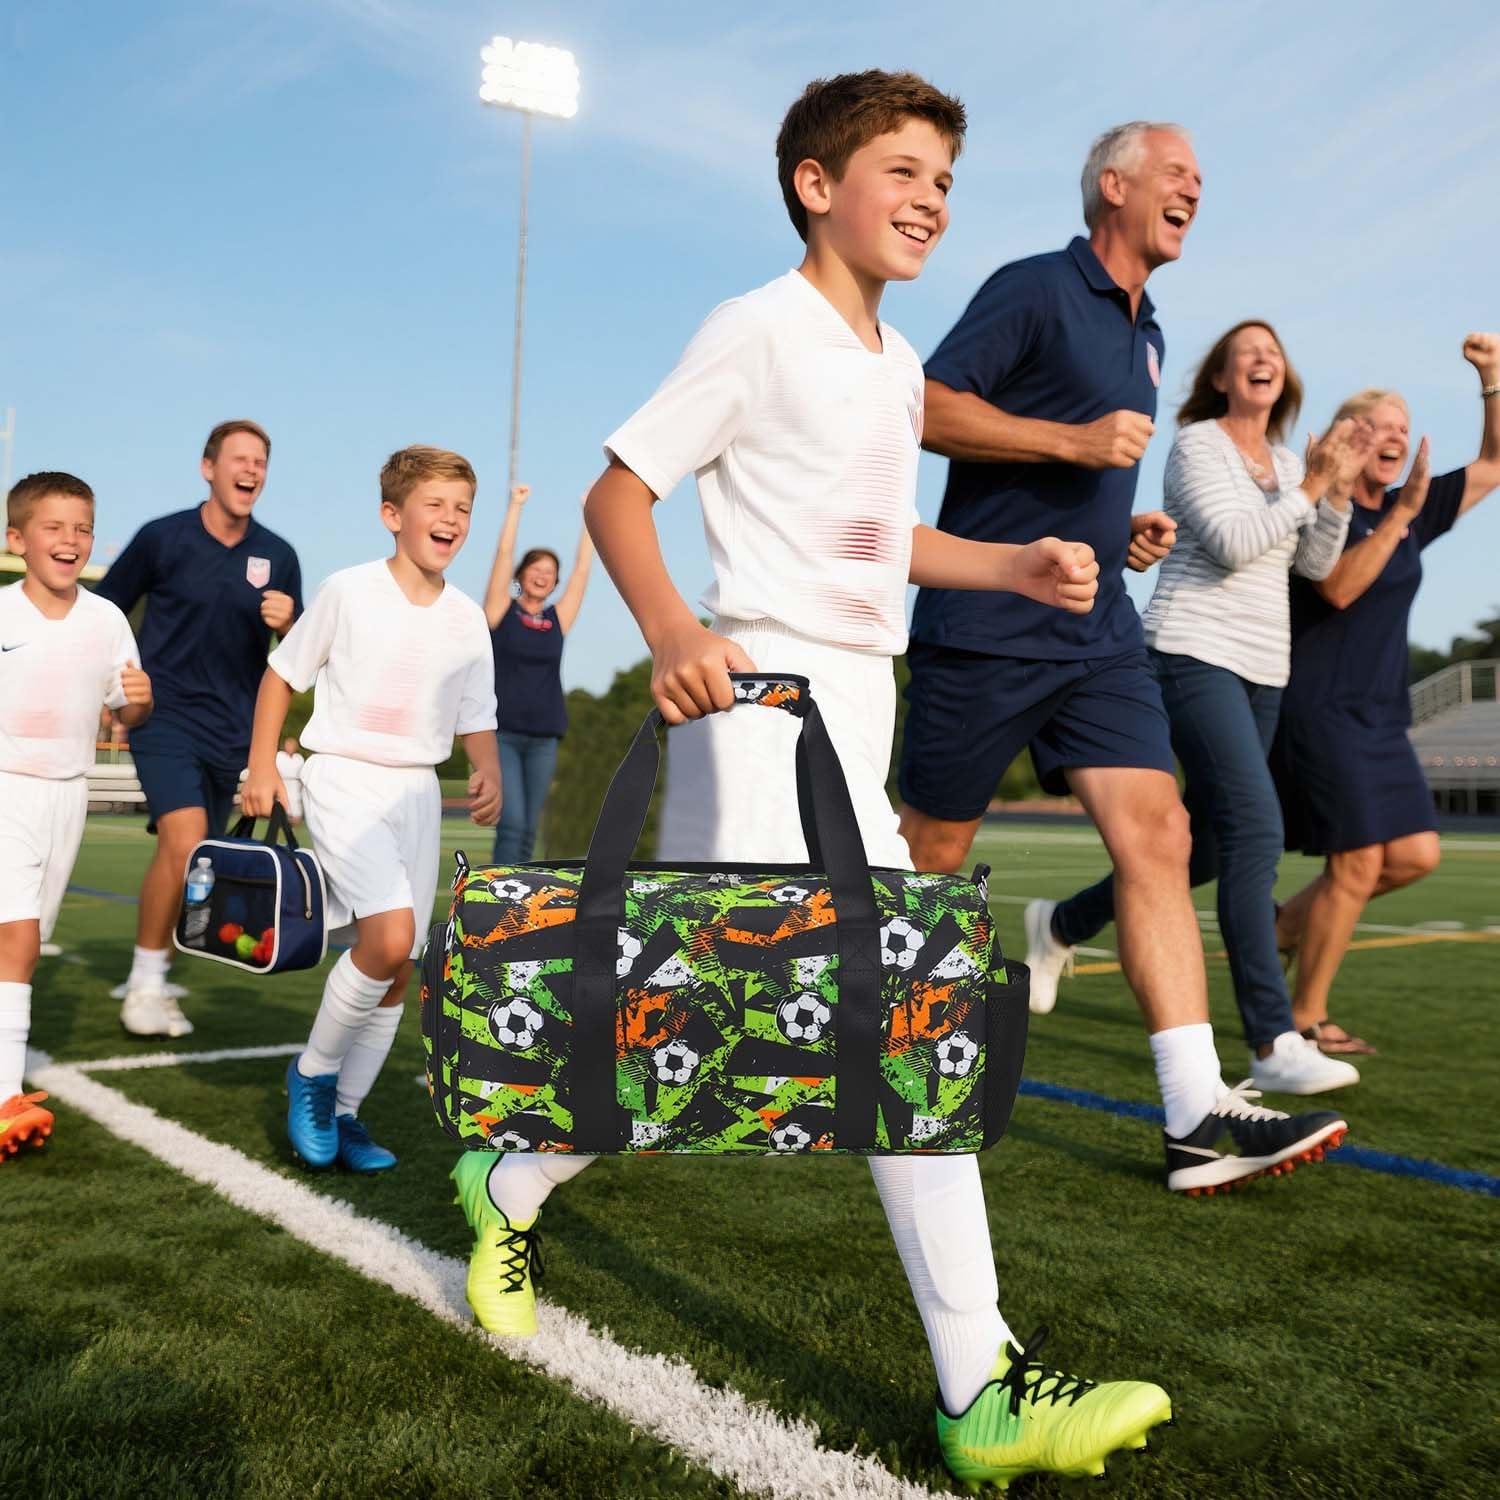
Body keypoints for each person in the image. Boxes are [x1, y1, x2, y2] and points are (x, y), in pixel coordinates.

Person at [452, 71, 1176, 1495]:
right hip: (755, 706)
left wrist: (1011, 565)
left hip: (853, 705)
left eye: (945, 181)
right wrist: (671, 630)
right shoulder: (755, 326)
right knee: (882, 1020)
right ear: (814, 184)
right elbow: (618, 489)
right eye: (901, 170)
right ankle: (982, 1387)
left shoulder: (896, 364)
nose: (928, 201)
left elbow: (878, 535)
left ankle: (516, 1175)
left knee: (730, 1025)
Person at [896, 122, 1347, 1191]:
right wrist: (1071, 443)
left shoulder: (1151, 335)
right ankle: (866, 1043)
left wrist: (1125, 526)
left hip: (1100, 632)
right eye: (1177, 171)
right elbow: (924, 404)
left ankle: (1195, 1111)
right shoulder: (1036, 288)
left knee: (1162, 829)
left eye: (1201, 175)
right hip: (991, 623)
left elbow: (1101, 465)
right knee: (933, 854)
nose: (1197, 186)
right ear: (1114, 185)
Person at [1024, 321, 1373, 1096]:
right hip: (1190, 652)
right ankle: (1273, 1040)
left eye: (1274, 354)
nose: (1262, 361)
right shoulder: (1198, 447)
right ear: (1221, 375)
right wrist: (1313, 488)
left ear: (1285, 381)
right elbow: (1233, 540)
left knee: (1209, 849)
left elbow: (1313, 563)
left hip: (1263, 668)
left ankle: (1059, 925)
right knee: (1256, 828)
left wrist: (1337, 492)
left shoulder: (1289, 462)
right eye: (1247, 352)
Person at [242, 445, 499, 1174]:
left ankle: (347, 1114)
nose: (451, 519)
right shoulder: (347, 591)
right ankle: (313, 1075)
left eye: (462, 509)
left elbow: (477, 713)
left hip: (418, 791)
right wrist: (263, 766)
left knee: (401, 967)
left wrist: (486, 770)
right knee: (385, 939)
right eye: (435, 505)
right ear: (392, 515)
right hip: (345, 779)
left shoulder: (467, 618)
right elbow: (280, 676)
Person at [1271, 334, 1500, 1054]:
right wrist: (1400, 517)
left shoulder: (1414, 507)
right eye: (1379, 429)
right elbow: (1336, 588)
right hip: (1319, 708)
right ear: (1350, 439)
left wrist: (1490, 380)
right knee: (1360, 860)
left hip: (1381, 715)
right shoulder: (1326, 509)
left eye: (1404, 428)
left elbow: (1495, 462)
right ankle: (1304, 1021)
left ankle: (1279, 929)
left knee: (1416, 855)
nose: (1395, 438)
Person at [96, 420, 302, 1039]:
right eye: (239, 458)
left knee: (198, 862)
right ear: (208, 467)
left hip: (236, 734)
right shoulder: (162, 538)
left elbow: (298, 659)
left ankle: (153, 969)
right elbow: (105, 610)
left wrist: (291, 622)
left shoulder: (280, 556)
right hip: (166, 718)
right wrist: (119, 690)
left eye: (261, 461)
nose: (251, 470)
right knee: (184, 842)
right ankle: (145, 985)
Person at [1, 472, 153, 1158]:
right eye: (53, 527)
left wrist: (139, 699)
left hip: (68, 796)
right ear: (16, 539)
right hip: (4, 787)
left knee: (21, 946)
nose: (70, 540)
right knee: (20, 943)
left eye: (82, 527)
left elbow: (130, 711)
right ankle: (6, 1095)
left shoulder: (107, 620)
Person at [480, 483, 593, 863]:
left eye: (550, 572)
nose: (543, 576)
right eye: (536, 569)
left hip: (545, 736)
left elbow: (582, 571)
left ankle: (519, 910)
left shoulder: (558, 618)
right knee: (510, 824)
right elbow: (503, 554)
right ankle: (495, 904)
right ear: (522, 575)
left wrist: (589, 514)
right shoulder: (500, 611)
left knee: (529, 830)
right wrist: (515, 506)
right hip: (504, 734)